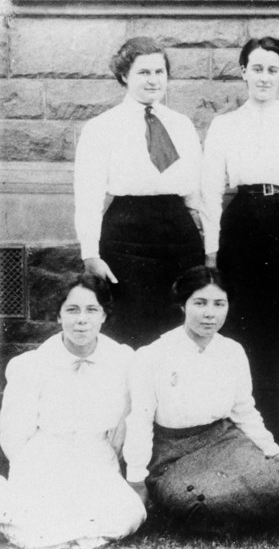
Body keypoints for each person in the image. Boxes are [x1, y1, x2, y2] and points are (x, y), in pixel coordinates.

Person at [201, 36, 279, 447]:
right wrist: (212, 249)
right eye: (257, 68)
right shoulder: (225, 124)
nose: (264, 76)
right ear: (243, 72)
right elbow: (209, 192)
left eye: (273, 69)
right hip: (243, 225)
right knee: (245, 326)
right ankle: (248, 436)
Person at [123, 266, 279, 535]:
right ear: (182, 305)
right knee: (196, 502)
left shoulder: (232, 351)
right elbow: (140, 421)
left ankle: (228, 517)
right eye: (199, 303)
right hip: (173, 452)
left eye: (219, 304)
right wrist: (136, 478)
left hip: (224, 440)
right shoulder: (153, 355)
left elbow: (244, 411)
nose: (209, 313)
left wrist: (273, 451)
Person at [74, 36, 204, 349]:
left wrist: (205, 241)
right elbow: (88, 195)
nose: (153, 80)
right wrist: (90, 253)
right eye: (144, 72)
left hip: (177, 229)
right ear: (124, 76)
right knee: (132, 326)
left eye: (160, 72)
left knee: (178, 323)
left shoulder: (181, 124)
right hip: (127, 230)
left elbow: (196, 191)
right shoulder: (102, 127)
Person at [0, 274, 146, 549]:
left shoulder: (124, 360)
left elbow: (122, 428)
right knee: (36, 512)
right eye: (72, 310)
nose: (82, 320)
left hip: (96, 459)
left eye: (92, 310)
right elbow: (13, 436)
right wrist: (35, 471)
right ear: (58, 316)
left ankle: (63, 535)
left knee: (128, 512)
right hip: (42, 459)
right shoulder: (31, 365)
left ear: (104, 316)